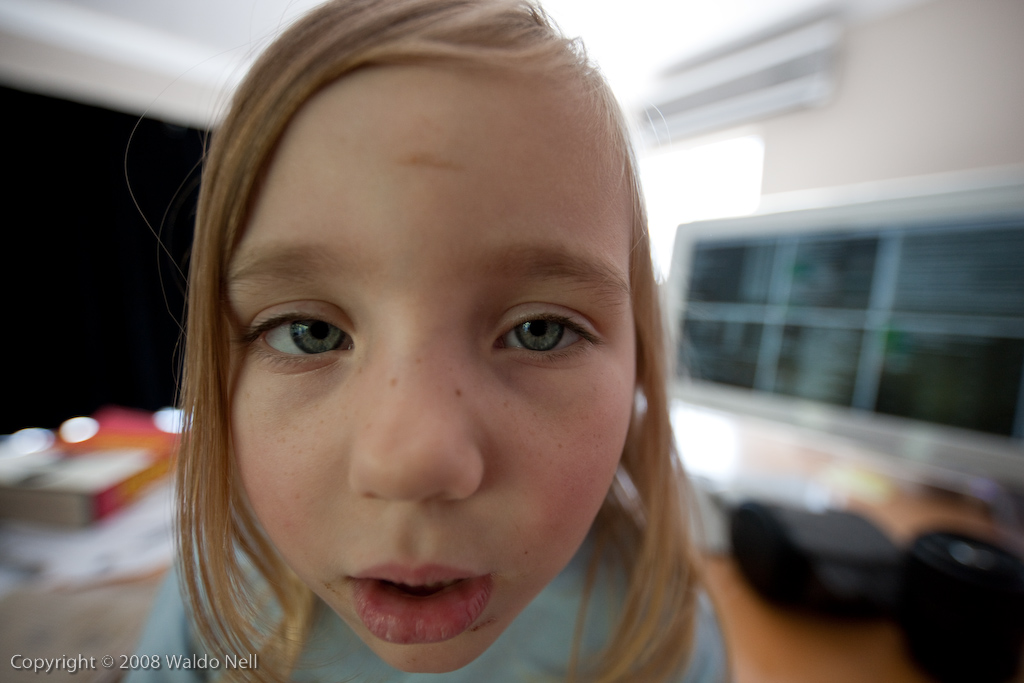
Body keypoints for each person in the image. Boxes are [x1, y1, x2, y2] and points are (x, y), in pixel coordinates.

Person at [129, 0, 728, 680]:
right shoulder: (213, 609)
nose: (412, 464)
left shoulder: (665, 634)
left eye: (539, 331)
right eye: (311, 333)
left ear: (641, 369)